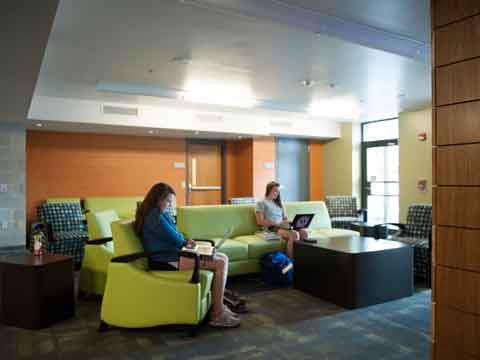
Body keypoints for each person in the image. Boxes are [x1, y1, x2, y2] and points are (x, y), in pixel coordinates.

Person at [134, 182, 240, 328]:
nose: (170, 204)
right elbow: (177, 238)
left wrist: (185, 241)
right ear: (158, 199)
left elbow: (177, 235)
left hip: (174, 254)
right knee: (220, 262)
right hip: (166, 259)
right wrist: (185, 242)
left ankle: (218, 306)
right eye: (168, 201)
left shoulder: (157, 213)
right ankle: (217, 313)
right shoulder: (155, 216)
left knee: (223, 257)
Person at [255, 181, 308, 258]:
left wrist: (293, 222)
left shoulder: (280, 203)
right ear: (269, 190)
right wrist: (276, 223)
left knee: (304, 232)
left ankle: (303, 259)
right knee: (294, 234)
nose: (277, 193)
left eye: (278, 191)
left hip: (282, 226)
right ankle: (291, 262)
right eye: (275, 191)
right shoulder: (261, 203)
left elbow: (285, 218)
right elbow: (260, 221)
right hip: (272, 228)